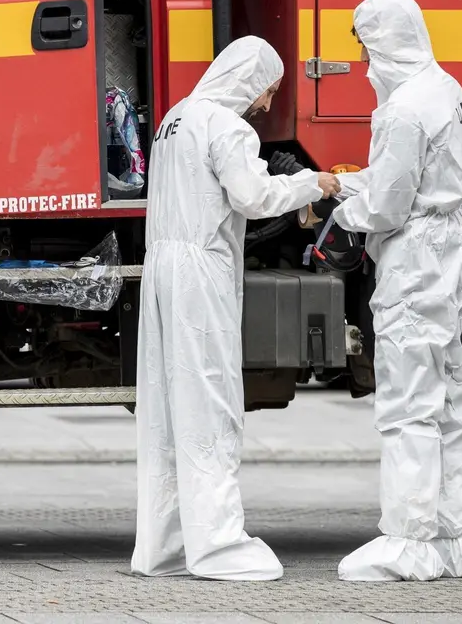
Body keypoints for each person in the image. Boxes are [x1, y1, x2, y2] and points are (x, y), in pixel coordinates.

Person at [131, 36, 341, 581]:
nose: (268, 105)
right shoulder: (228, 127)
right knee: (210, 404)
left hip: (162, 265)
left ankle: (167, 544)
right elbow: (254, 198)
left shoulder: (175, 118)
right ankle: (218, 545)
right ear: (249, 80)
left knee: (169, 409)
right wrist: (309, 184)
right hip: (200, 271)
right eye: (268, 90)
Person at [331, 0, 462, 582]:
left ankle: (408, 541)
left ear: (383, 43)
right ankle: (450, 536)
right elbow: (413, 177)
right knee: (446, 396)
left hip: (416, 258)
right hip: (447, 249)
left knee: (407, 399)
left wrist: (339, 212)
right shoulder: (448, 88)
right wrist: (350, 184)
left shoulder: (401, 108)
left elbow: (389, 207)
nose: (367, 64)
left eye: (367, 48)